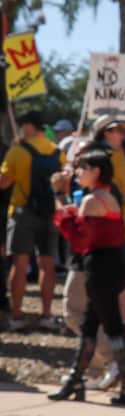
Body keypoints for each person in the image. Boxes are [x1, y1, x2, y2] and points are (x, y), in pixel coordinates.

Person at [47, 147, 125, 406]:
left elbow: (77, 239)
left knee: (111, 326)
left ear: (96, 171)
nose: (77, 172)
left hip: (100, 266)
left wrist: (58, 196)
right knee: (90, 325)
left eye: (83, 168)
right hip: (109, 265)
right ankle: (74, 380)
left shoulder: (92, 200)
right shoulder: (106, 196)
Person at [0, 111, 64, 330]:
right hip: (49, 212)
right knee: (48, 264)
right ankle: (46, 314)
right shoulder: (56, 151)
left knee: (20, 263)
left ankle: (17, 315)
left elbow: (3, 183)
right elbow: (63, 183)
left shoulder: (17, 151)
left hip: (22, 211)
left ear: (28, 126)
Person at [90, 114, 125, 326]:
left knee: (122, 268)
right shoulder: (95, 155)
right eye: (114, 130)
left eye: (121, 130)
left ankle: (122, 316)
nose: (120, 133)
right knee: (104, 269)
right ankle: (106, 317)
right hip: (104, 216)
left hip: (124, 218)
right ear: (103, 132)